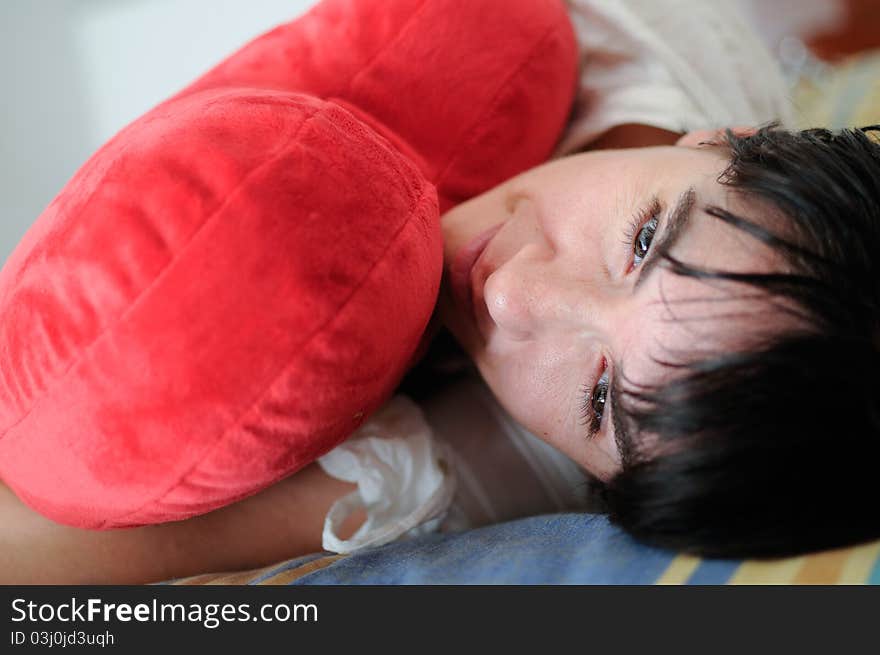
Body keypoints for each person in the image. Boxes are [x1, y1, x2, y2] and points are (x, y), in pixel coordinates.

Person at [2, 0, 878, 583]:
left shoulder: (529, 460)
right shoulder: (641, 36)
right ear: (717, 139)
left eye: (601, 395)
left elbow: (40, 550)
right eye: (642, 239)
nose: (514, 296)